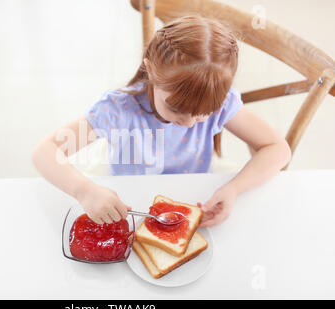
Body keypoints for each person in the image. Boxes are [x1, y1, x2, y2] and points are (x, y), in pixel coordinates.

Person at [32, 15, 291, 227]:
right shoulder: (118, 110)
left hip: (193, 195)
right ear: (151, 71)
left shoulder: (223, 105)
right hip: (129, 201)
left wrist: (234, 188)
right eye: (177, 108)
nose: (190, 124)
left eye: (204, 113)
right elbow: (45, 152)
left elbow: (278, 149)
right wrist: (84, 190)